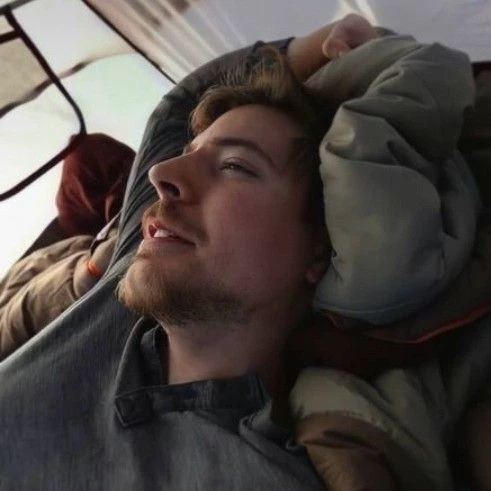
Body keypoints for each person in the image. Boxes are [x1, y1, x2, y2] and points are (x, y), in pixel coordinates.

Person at [0, 12, 489, 491]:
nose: (161, 175)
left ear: (318, 254)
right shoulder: (127, 279)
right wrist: (320, 45)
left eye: (235, 166)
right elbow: (177, 107)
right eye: (188, 154)